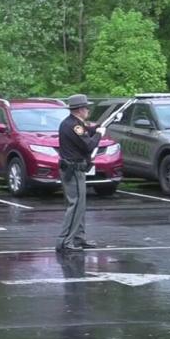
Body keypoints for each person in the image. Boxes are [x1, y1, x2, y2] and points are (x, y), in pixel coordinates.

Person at [57, 94, 104, 252]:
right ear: (79, 110)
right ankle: (66, 241)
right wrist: (99, 134)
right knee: (75, 205)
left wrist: (95, 128)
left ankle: (78, 237)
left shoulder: (73, 123)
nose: (88, 110)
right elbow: (88, 145)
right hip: (73, 169)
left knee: (80, 205)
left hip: (75, 168)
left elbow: (86, 131)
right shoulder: (74, 126)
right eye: (86, 108)